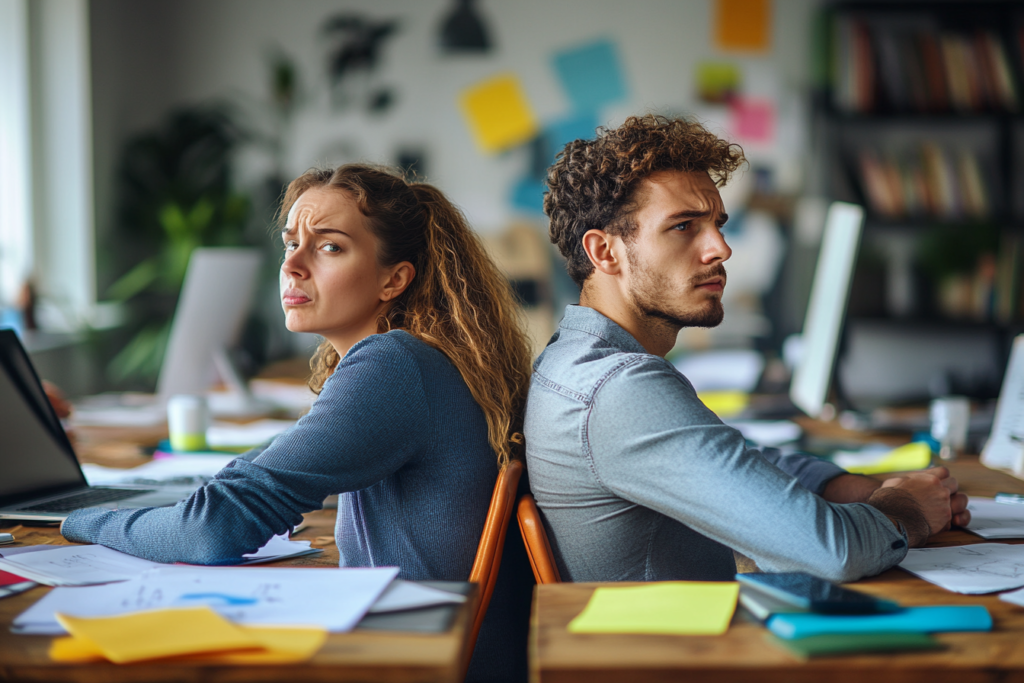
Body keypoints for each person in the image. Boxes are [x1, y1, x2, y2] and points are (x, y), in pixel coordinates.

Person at [62, 164, 534, 682]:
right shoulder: (420, 357)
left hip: (414, 663)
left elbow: (212, 529)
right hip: (435, 649)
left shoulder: (395, 365)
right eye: (291, 243)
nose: (293, 266)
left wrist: (84, 520)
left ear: (394, 278)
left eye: (329, 247)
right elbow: (284, 462)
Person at [525, 115, 971, 584]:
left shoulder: (579, 361)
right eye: (683, 227)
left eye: (717, 224)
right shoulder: (618, 391)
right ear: (605, 252)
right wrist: (904, 510)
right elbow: (832, 553)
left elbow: (734, 461)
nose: (720, 248)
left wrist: (859, 487)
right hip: (674, 651)